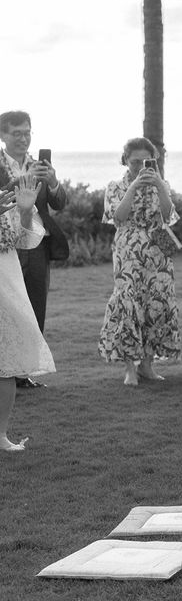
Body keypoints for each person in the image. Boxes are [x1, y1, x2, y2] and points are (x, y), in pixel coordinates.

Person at [98, 137, 181, 386]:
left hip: (157, 250)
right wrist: (134, 186)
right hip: (128, 251)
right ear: (125, 161)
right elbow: (118, 217)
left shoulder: (161, 184)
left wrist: (160, 187)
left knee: (156, 302)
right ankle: (129, 369)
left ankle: (147, 365)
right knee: (128, 302)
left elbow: (168, 216)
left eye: (146, 161)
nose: (140, 167)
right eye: (135, 162)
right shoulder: (115, 186)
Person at [0, 110, 69, 389]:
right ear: (3, 135)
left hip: (36, 243)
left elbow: (60, 203)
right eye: (16, 133)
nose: (23, 138)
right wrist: (23, 179)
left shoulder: (39, 165)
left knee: (35, 305)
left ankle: (23, 372)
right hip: (5, 243)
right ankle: (4, 368)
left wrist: (52, 181)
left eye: (27, 132)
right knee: (8, 308)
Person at [0, 179, 52, 452]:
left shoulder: (3, 199)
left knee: (5, 365)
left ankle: (0, 435)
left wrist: (25, 211)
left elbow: (25, 239)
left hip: (6, 293)